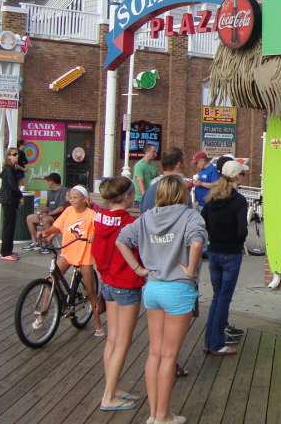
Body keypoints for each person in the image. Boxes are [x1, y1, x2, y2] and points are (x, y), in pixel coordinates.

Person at [116, 175, 207, 424]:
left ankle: (154, 414)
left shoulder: (146, 217)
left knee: (154, 353)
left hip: (153, 288)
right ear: (182, 193)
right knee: (169, 356)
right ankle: (164, 416)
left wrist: (137, 268)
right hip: (178, 288)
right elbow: (197, 242)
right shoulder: (190, 216)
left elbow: (121, 240)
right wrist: (190, 269)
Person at [91, 176, 143, 412]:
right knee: (123, 342)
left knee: (112, 340)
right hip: (126, 284)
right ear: (128, 197)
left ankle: (112, 388)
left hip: (108, 283)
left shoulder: (99, 219)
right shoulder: (130, 222)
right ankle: (108, 396)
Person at [39, 185, 104, 335]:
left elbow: (99, 230)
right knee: (51, 280)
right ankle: (42, 313)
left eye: (75, 198)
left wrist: (95, 235)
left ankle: (97, 323)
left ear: (84, 199)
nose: (72, 200)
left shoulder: (92, 215)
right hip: (68, 252)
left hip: (84, 254)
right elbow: (56, 227)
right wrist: (45, 232)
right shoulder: (68, 211)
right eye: (71, 198)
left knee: (90, 291)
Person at [201, 160, 249, 355]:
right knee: (223, 299)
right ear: (237, 176)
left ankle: (209, 341)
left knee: (216, 298)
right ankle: (217, 344)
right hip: (231, 253)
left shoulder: (213, 197)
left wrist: (213, 235)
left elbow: (203, 218)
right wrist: (236, 241)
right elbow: (241, 231)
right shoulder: (239, 200)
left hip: (213, 252)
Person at [24, 173, 68, 254]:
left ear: (52, 181)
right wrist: (40, 213)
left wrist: (48, 214)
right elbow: (47, 206)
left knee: (46, 219)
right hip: (48, 214)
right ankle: (35, 241)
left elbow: (61, 208)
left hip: (58, 216)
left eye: (47, 181)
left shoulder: (64, 191)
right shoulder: (50, 192)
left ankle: (48, 244)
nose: (47, 183)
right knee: (30, 218)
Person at [140, 147, 186, 215]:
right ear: (179, 165)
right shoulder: (181, 191)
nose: (187, 166)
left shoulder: (148, 192)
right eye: (186, 163)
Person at [0, 148, 24, 261]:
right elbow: (13, 186)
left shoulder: (11, 169)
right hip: (9, 199)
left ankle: (7, 250)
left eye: (17, 154)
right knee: (9, 226)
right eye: (14, 154)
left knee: (9, 225)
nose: (16, 156)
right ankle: (5, 252)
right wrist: (20, 195)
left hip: (9, 199)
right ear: (8, 156)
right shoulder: (9, 169)